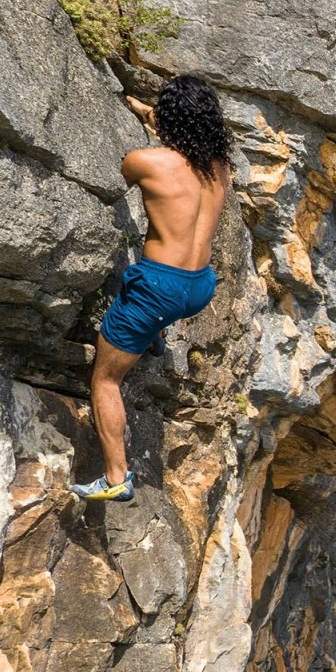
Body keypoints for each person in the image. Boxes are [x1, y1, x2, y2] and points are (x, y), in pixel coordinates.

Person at [69, 75, 231, 502]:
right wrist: (147, 112)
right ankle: (153, 334)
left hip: (159, 288)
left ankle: (116, 478)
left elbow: (118, 177)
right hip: (199, 286)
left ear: (169, 120)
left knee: (105, 380)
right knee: (158, 304)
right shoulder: (219, 168)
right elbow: (180, 149)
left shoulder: (146, 161)